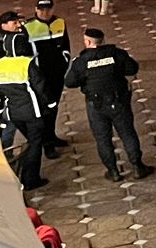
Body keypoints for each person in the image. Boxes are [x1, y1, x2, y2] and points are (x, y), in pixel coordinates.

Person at [64, 26, 150, 181]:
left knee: (103, 138)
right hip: (118, 101)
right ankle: (138, 166)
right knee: (127, 133)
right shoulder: (117, 54)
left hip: (95, 105)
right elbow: (132, 68)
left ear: (88, 42)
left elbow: (70, 82)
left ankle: (113, 171)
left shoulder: (81, 61)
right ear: (103, 40)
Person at [0, 11, 49, 191]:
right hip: (32, 111)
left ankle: (23, 171)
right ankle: (30, 179)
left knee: (31, 141)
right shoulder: (25, 63)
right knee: (35, 143)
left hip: (13, 112)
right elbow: (40, 86)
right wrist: (50, 104)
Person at [24, 0, 75, 156]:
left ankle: (51, 136)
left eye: (48, 9)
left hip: (57, 73)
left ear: (53, 9)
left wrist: (64, 62)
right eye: (41, 9)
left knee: (54, 106)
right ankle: (47, 144)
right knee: (44, 109)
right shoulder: (28, 26)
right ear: (36, 9)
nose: (44, 12)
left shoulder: (60, 22)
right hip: (40, 75)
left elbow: (66, 45)